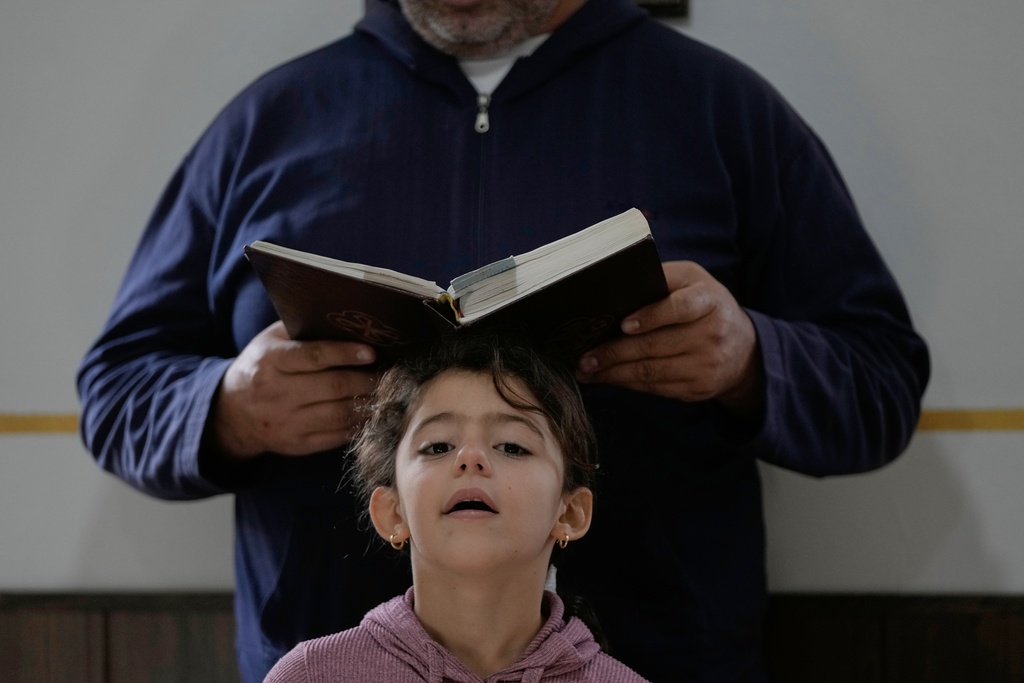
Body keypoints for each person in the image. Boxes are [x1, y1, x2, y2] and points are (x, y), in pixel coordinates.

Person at [76, 0, 931, 680]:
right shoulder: (265, 125)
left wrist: (753, 359)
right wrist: (227, 407)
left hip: (662, 661)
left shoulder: (724, 110)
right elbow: (116, 391)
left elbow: (882, 382)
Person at [263, 332, 649, 682]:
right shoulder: (310, 676)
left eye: (512, 446)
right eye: (438, 447)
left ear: (570, 513)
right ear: (392, 513)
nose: (470, 458)